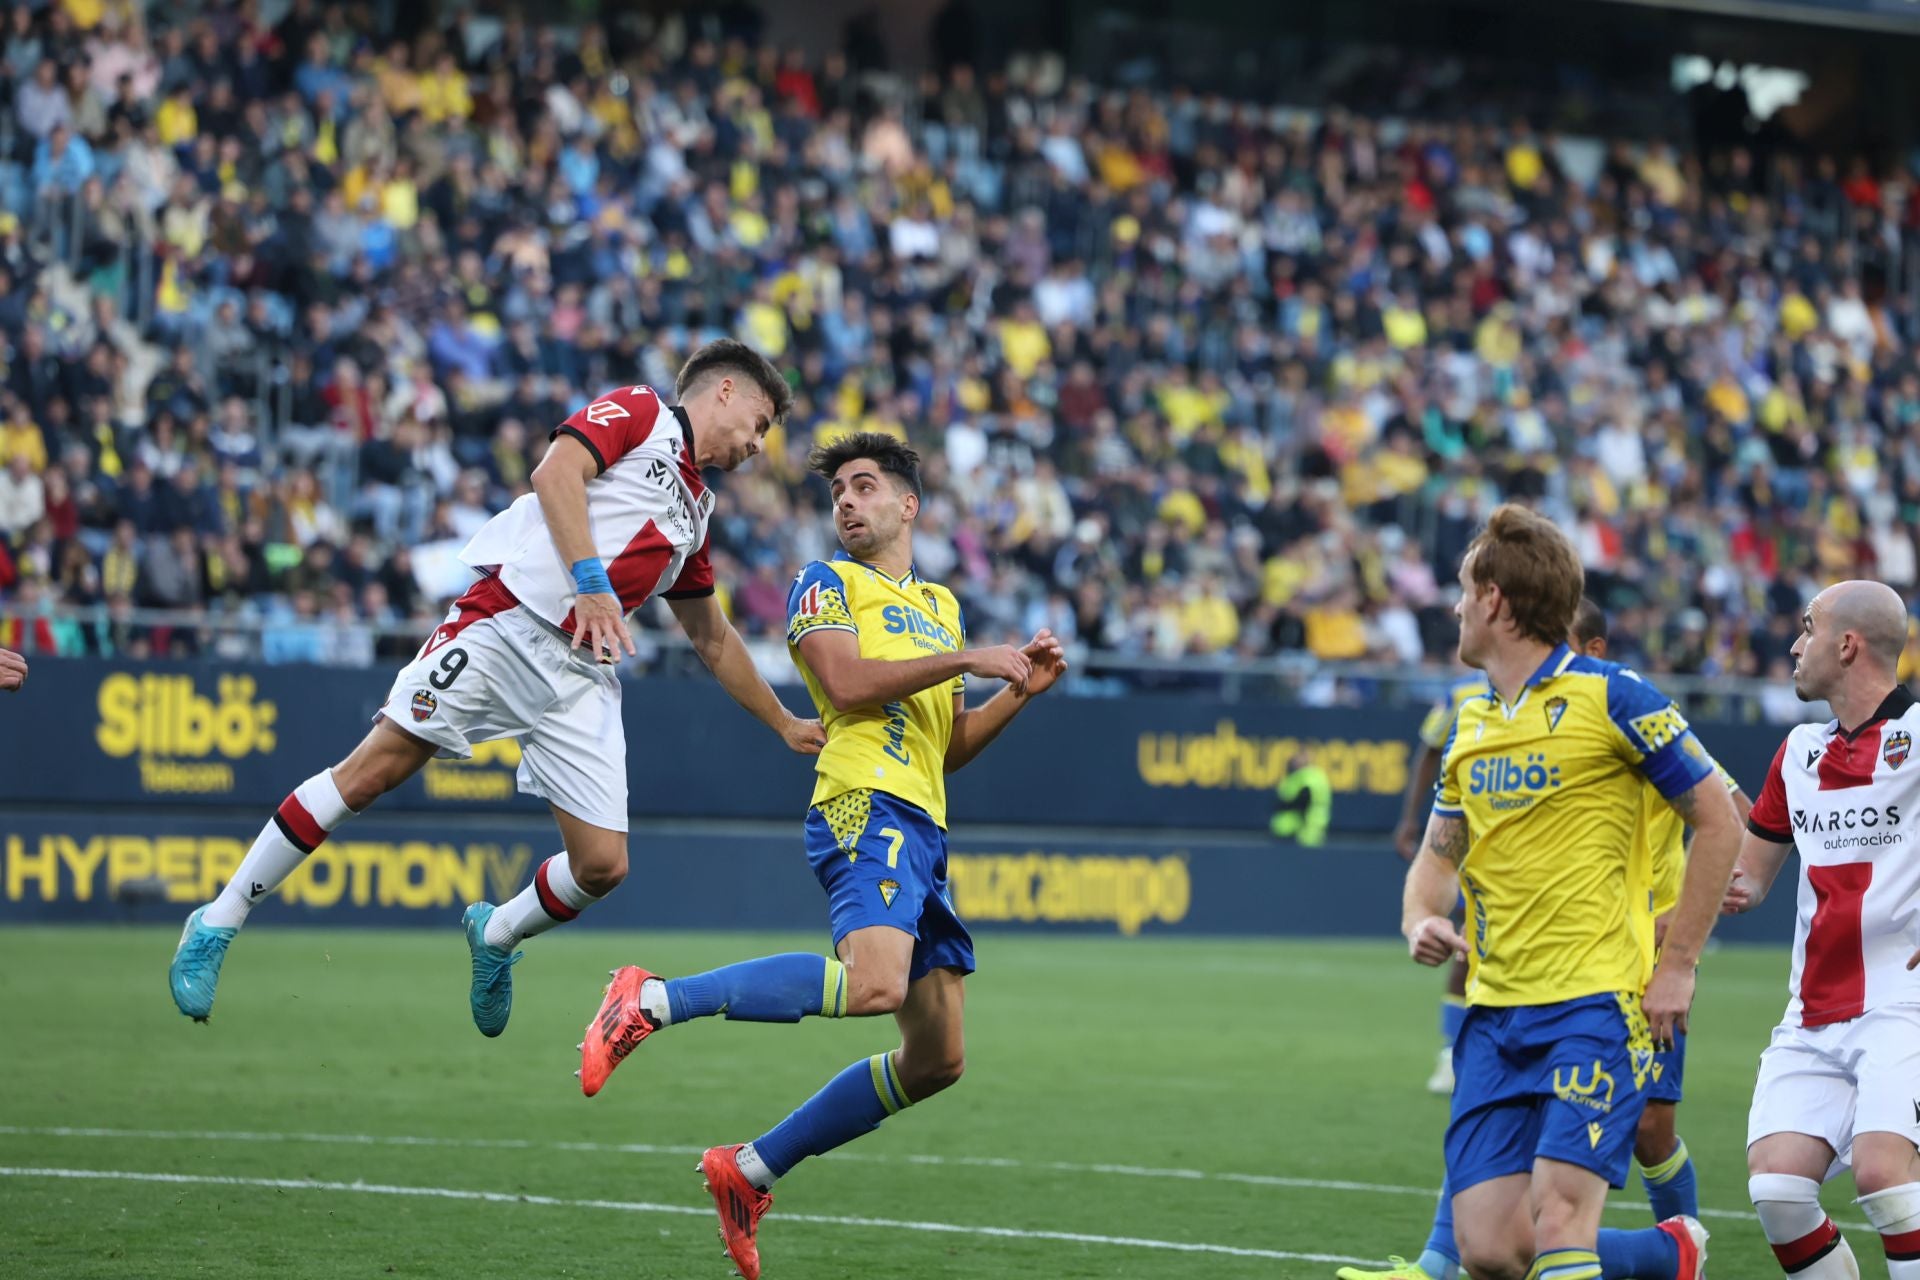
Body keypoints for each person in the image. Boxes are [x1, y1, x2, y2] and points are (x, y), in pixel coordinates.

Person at [168, 340, 826, 1035]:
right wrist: (592, 580)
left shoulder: (697, 510)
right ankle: (217, 920)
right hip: (507, 624)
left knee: (603, 865)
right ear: (724, 391)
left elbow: (712, 637)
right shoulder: (640, 411)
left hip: (581, 673)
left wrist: (783, 722)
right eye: (759, 421)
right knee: (372, 773)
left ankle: (497, 936)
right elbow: (555, 472)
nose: (759, 443)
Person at [576, 432, 1065, 1280]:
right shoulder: (823, 582)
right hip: (861, 804)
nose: (846, 500)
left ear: (907, 505)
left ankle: (750, 1169)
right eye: (838, 489)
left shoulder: (941, 605)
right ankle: (650, 999)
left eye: (864, 486)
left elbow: (947, 748)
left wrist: (1015, 694)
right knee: (873, 985)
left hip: (924, 824)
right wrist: (970, 658)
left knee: (938, 1059)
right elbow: (842, 687)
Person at [1341, 597, 1749, 1280]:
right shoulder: (1479, 719)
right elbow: (1441, 849)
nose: (1457, 605)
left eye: (1469, 589)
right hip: (1512, 998)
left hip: (1623, 977)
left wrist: (1707, 917)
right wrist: (1423, 918)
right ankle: (1658, 1253)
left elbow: (1728, 812)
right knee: (1503, 1241)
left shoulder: (1623, 705)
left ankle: (1681, 1242)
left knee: (1633, 1149)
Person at [1723, 580, 1920, 1280]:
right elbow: (1743, 882)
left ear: (1847, 644)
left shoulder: (1918, 738)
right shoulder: (1800, 753)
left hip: (1905, 1006)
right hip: (1812, 1016)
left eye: (1807, 628)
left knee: (1884, 1176)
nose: (1794, 645)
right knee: (1777, 1187)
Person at [1398, 666, 1492, 1094]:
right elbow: (1429, 751)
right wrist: (1410, 819)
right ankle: (1450, 1054)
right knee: (1467, 946)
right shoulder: (1463, 693)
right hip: (1473, 840)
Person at [1271, 749, 1332, 846]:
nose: (1295, 761)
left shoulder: (1306, 778)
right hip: (1300, 831)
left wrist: (1284, 805)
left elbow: (1302, 803)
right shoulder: (1311, 776)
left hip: (1300, 831)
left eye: (1299, 758)